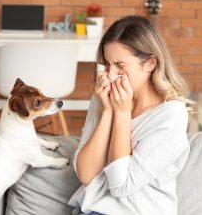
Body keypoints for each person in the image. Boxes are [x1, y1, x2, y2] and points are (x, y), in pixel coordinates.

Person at [69, 15, 191, 215]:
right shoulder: (103, 98)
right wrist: (108, 111)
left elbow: (120, 186)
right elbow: (86, 174)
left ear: (150, 64)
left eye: (120, 66)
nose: (110, 74)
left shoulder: (170, 115)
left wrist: (122, 114)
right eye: (107, 65)